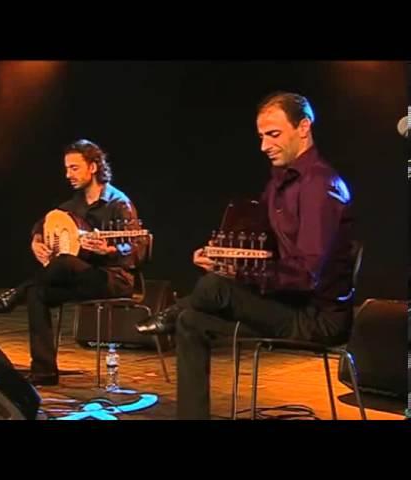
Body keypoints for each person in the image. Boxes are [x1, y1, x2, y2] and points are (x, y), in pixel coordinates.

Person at [136, 92, 356, 420]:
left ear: (304, 127)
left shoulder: (320, 186)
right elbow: (262, 249)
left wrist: (237, 274)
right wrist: (223, 257)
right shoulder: (278, 184)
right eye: (261, 136)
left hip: (316, 318)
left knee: (215, 287)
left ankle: (172, 310)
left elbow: (307, 275)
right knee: (191, 320)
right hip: (287, 306)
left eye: (274, 134)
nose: (264, 145)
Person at [0, 139, 145, 386]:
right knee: (39, 292)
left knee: (65, 261)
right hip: (81, 277)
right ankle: (44, 371)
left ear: (93, 167)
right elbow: (43, 223)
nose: (68, 174)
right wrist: (37, 240)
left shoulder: (119, 203)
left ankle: (18, 292)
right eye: (67, 168)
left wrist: (109, 249)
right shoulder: (75, 204)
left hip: (113, 279)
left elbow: (137, 250)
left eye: (74, 168)